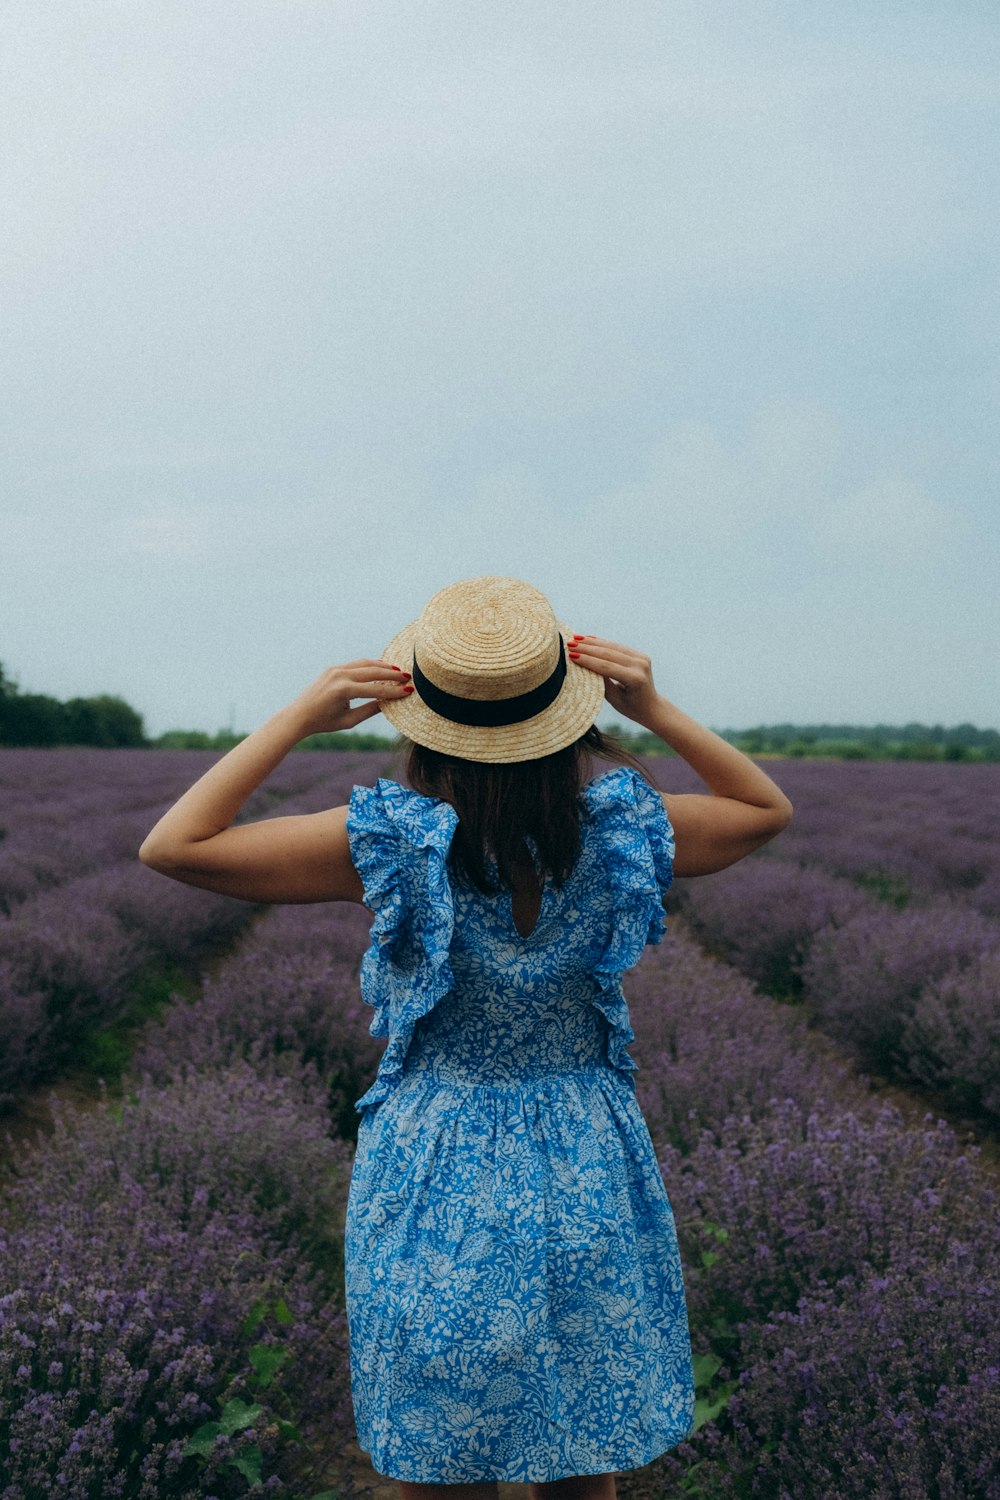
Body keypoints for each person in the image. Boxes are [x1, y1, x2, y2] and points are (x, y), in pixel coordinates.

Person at [139, 575, 793, 1500]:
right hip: (583, 1150)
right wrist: (655, 707)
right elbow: (766, 811)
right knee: (581, 1450)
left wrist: (297, 716)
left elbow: (175, 847)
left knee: (437, 1458)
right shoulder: (622, 833)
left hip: (436, 1158)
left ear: (422, 720)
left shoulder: (390, 844)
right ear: (574, 717)